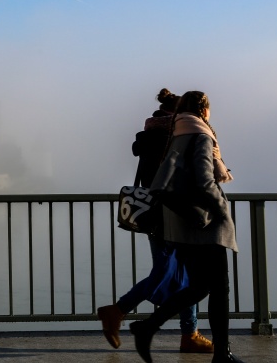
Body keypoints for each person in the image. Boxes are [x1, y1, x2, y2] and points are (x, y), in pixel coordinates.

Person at [129, 91, 244, 363]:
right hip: (205, 223)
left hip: (179, 224)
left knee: (201, 286)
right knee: (219, 290)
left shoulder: (176, 134)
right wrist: (221, 211)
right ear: (204, 110)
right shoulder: (202, 136)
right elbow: (205, 181)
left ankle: (148, 327)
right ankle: (222, 354)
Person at [98, 89, 213, 353]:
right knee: (170, 272)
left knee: (180, 273)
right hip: (174, 213)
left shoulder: (153, 134)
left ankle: (189, 333)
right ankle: (118, 310)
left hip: (155, 213)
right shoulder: (174, 136)